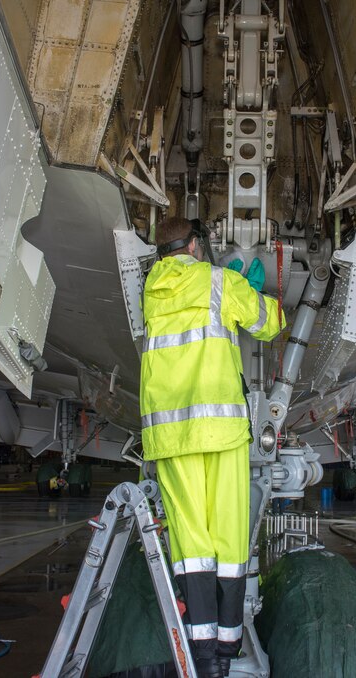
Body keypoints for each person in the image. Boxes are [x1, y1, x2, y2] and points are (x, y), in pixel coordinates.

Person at [140, 217, 285, 678]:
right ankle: (227, 650)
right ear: (197, 246)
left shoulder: (151, 292)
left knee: (191, 544)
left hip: (170, 437)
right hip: (221, 433)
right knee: (228, 539)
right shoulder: (219, 282)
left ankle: (203, 657)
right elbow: (266, 325)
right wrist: (259, 294)